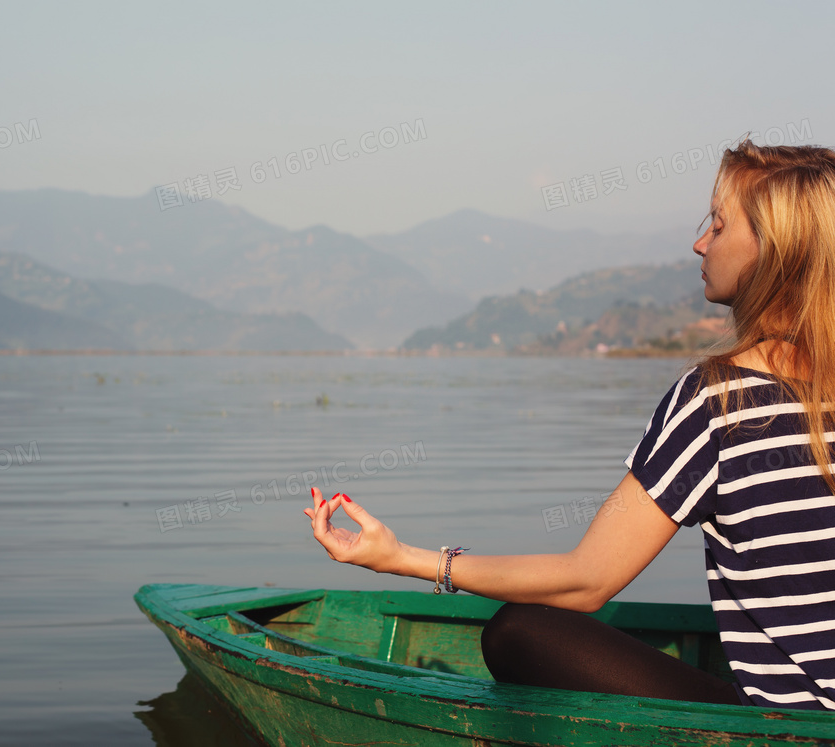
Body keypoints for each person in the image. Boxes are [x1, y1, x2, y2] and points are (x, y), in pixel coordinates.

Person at [306, 139, 835, 710]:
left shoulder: (720, 401)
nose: (699, 241)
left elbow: (587, 581)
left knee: (519, 631)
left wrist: (404, 558)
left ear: (774, 251)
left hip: (794, 725)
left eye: (720, 225)